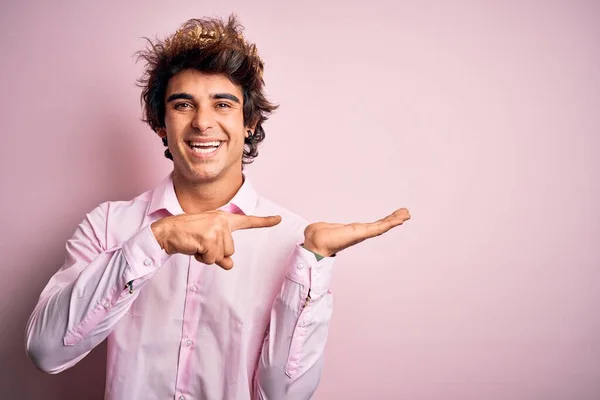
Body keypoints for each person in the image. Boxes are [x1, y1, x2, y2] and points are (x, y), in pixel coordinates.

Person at [25, 15, 410, 400]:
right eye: (182, 105)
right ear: (161, 124)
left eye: (222, 104)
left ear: (249, 122)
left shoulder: (294, 240)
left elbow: (283, 395)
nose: (203, 122)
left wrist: (315, 262)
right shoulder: (108, 225)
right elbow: (46, 351)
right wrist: (156, 239)